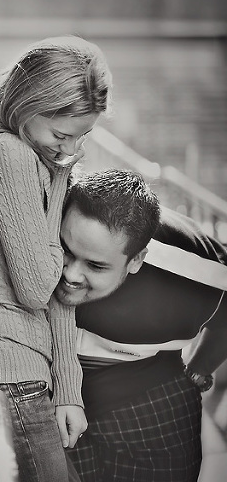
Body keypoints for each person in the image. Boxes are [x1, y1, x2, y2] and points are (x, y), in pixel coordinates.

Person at [0, 36, 113, 482]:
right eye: (61, 135)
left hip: (23, 379)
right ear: (27, 105)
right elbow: (38, 286)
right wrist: (61, 178)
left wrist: (68, 389)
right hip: (3, 377)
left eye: (82, 136)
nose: (70, 149)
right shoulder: (5, 156)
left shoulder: (34, 160)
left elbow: (61, 288)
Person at [55, 168, 227, 482]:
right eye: (66, 250)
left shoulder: (191, 271)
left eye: (95, 265)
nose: (71, 275)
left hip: (152, 400)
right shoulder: (44, 215)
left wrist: (199, 370)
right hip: (51, 400)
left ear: (136, 260)